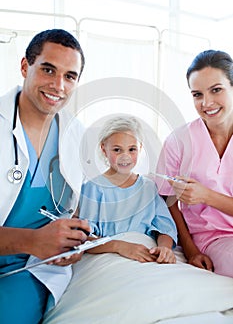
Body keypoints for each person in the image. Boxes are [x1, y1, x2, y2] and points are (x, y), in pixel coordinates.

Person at [0, 29, 91, 324]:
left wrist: (69, 243)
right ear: (25, 67)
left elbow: (73, 207)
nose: (58, 85)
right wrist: (33, 239)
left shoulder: (75, 134)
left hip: (28, 268)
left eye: (70, 76)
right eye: (48, 70)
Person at [156, 49, 233, 278]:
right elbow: (166, 200)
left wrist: (205, 196)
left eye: (216, 90)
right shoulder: (179, 141)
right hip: (214, 238)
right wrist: (190, 250)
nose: (206, 103)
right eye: (197, 94)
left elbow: (204, 196)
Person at [79, 116, 177, 263]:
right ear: (104, 149)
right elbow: (84, 238)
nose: (125, 156)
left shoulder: (148, 187)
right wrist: (119, 246)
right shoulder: (93, 188)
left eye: (132, 149)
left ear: (140, 148)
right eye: (117, 150)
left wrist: (165, 248)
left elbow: (165, 227)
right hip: (110, 255)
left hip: (146, 252)